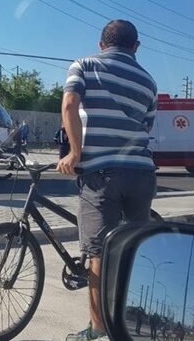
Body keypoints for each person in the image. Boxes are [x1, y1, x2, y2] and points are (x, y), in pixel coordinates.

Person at [60, 20, 158, 341]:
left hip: (101, 174)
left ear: (102, 43)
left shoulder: (85, 65)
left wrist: (74, 153)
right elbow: (145, 130)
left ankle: (98, 329)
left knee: (99, 252)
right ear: (136, 47)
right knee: (132, 248)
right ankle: (131, 319)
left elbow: (70, 105)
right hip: (142, 174)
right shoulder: (149, 81)